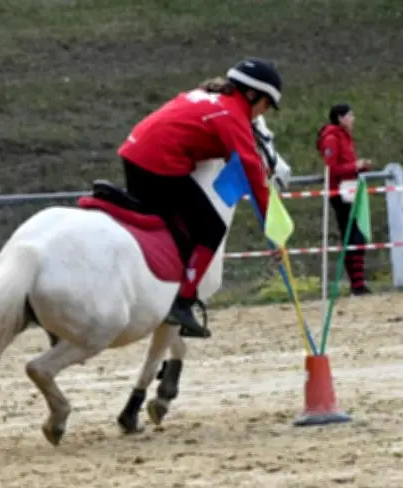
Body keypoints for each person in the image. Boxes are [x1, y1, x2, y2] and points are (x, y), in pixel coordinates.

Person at [117, 58, 282, 338]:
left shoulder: (206, 97)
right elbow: (251, 169)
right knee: (211, 227)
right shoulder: (232, 113)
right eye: (266, 105)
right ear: (252, 94)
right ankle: (182, 303)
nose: (261, 113)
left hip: (133, 154)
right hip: (160, 164)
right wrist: (273, 228)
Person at [316, 104, 373, 295]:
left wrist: (359, 167)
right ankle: (356, 284)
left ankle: (358, 283)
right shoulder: (332, 139)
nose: (353, 119)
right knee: (352, 235)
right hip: (339, 193)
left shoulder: (345, 137)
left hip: (350, 189)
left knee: (356, 235)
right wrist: (354, 166)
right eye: (350, 115)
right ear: (340, 118)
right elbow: (331, 168)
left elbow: (345, 164)